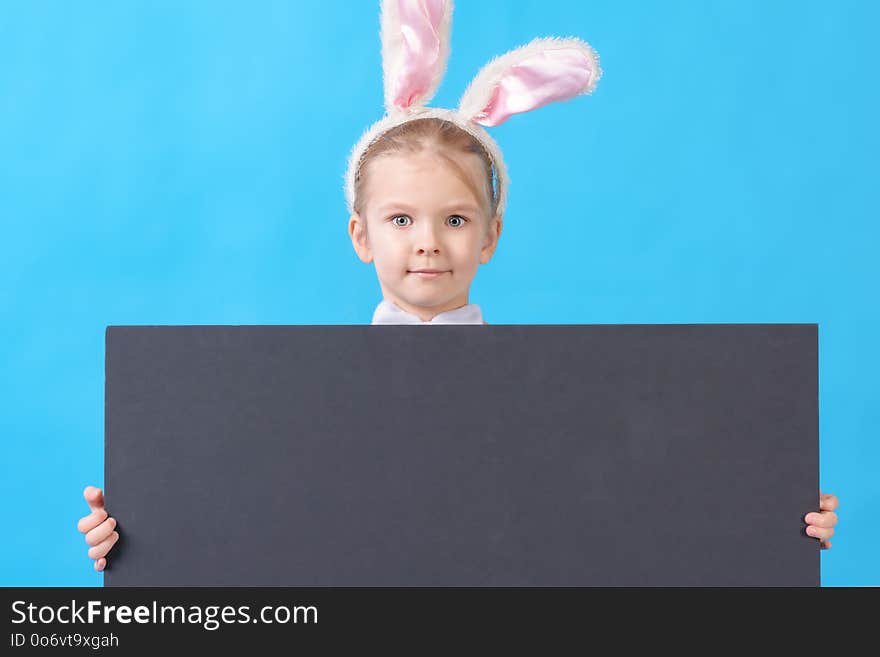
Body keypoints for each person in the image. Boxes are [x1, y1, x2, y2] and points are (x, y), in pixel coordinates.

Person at [78, 0, 840, 571]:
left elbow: (632, 512)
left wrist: (771, 515)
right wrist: (141, 529)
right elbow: (250, 519)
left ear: (490, 236)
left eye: (454, 219)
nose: (428, 244)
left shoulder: (560, 404)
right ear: (360, 235)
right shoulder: (291, 405)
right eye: (402, 218)